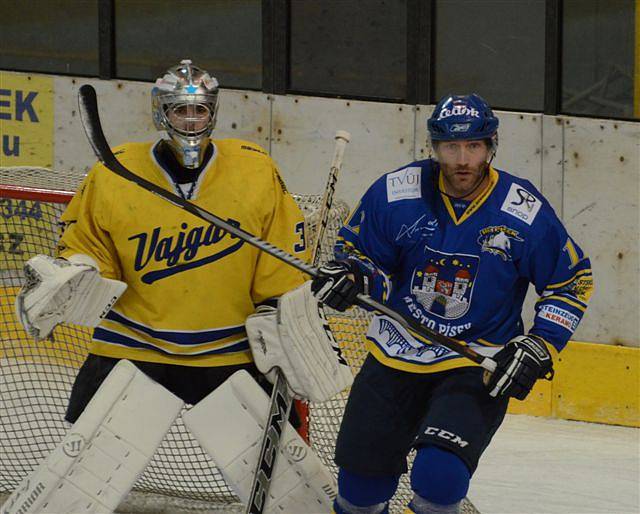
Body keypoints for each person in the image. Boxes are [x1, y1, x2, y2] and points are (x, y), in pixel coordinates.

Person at [312, 93, 593, 514]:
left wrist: (538, 346)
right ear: (434, 147)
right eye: (451, 147)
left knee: (440, 478)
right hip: (395, 353)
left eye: (473, 146)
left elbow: (571, 283)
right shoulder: (397, 192)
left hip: (475, 362)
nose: (462, 159)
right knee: (359, 492)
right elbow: (366, 261)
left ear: (491, 145)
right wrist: (353, 278)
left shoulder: (522, 209)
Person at [18, 59, 310, 422]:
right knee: (89, 464)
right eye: (180, 110)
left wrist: (279, 310)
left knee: (281, 468)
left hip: (230, 349)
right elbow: (89, 242)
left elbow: (279, 251)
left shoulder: (254, 167)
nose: (190, 120)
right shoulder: (116, 170)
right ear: (161, 112)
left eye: (199, 110)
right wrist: (80, 269)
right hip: (131, 344)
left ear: (213, 113)